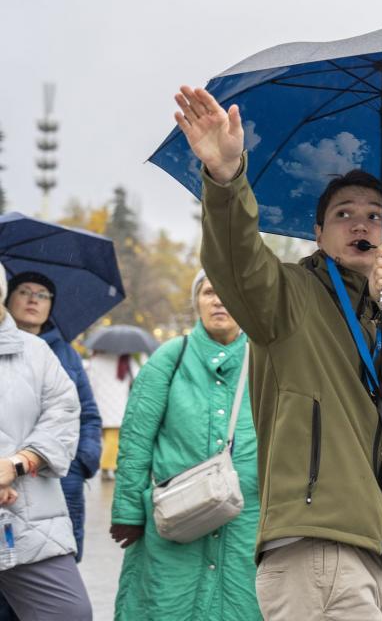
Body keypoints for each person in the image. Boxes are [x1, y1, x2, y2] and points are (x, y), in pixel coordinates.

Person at [173, 84, 382, 620]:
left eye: (375, 217)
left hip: (373, 550)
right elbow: (236, 262)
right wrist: (227, 179)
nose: (361, 224)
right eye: (345, 214)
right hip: (316, 549)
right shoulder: (290, 297)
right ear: (318, 233)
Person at [109, 270, 260, 620]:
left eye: (227, 291)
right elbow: (136, 439)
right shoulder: (170, 358)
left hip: (245, 521)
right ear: (197, 302)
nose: (218, 300)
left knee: (239, 606)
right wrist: (128, 512)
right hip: (175, 518)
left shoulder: (265, 362)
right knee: (167, 605)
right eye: (209, 292)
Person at [0, 263, 93, 619]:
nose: (34, 301)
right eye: (27, 292)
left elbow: (72, 413)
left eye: (42, 296)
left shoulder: (40, 352)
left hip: (33, 510)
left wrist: (20, 463)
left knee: (68, 612)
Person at [87, 341, 139, 480]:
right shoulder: (125, 360)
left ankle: (112, 466)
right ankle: (107, 467)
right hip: (119, 406)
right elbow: (139, 377)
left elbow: (90, 383)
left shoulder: (96, 360)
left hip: (99, 405)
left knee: (108, 438)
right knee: (115, 439)